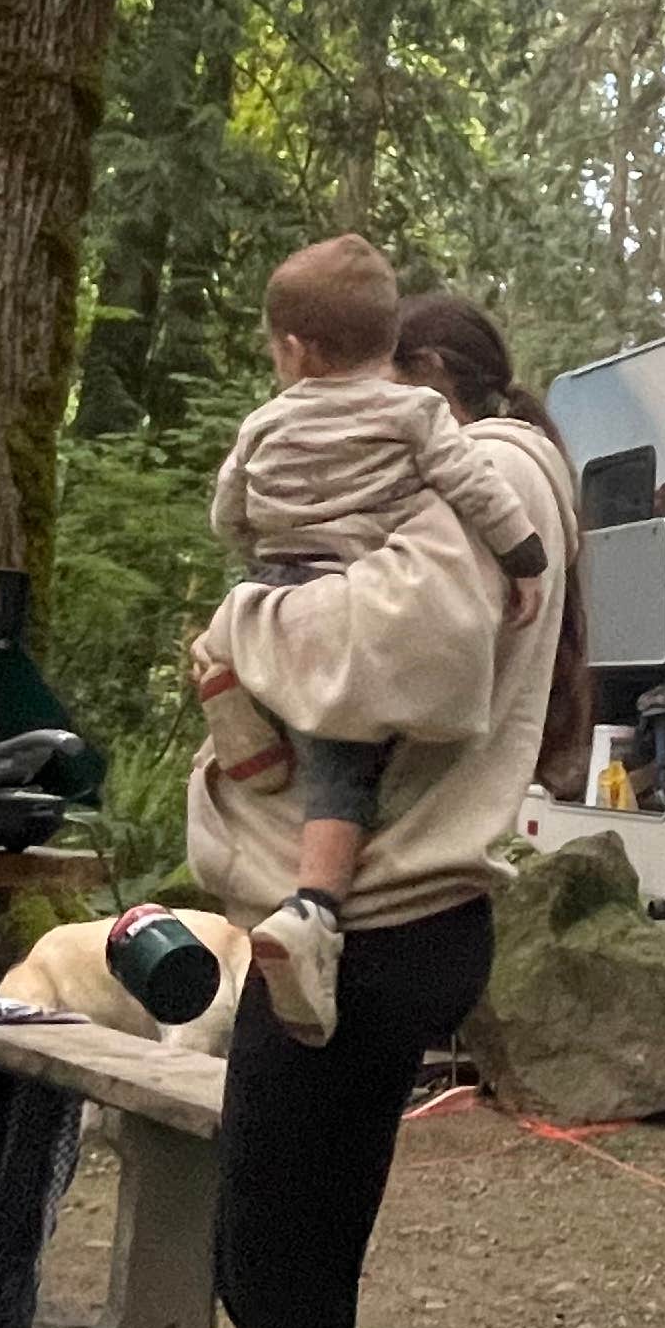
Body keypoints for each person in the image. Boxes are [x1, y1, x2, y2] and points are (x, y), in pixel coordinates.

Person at [197, 287, 578, 1328]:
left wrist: (237, 627)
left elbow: (400, 657)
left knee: (289, 1304)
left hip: (372, 927)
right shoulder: (466, 484)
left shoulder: (496, 470)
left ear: (421, 383)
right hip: (367, 926)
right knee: (270, 1282)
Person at [197, 235, 551, 1043]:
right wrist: (524, 560)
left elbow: (229, 510)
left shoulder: (263, 425)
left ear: (293, 349)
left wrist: (255, 549)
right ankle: (314, 910)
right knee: (343, 766)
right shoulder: (414, 415)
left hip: (274, 587)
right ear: (389, 345)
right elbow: (473, 488)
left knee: (258, 662)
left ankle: (241, 707)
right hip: (339, 590)